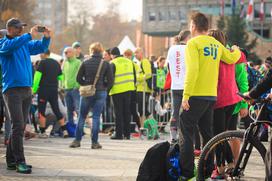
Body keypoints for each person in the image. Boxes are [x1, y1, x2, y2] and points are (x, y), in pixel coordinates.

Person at [179, 13, 241, 180]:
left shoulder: (193, 43)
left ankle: (186, 172)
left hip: (196, 94)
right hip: (211, 96)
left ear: (193, 26)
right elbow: (231, 58)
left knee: (185, 130)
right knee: (208, 134)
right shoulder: (215, 43)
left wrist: (186, 95)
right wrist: (235, 49)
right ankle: (206, 171)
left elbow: (193, 71)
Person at [0, 18, 51, 174]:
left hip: (26, 90)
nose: (21, 30)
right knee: (17, 126)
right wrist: (29, 35)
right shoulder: (4, 44)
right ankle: (20, 161)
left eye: (22, 27)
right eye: (18, 27)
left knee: (20, 127)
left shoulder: (23, 43)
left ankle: (10, 161)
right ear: (9, 29)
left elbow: (40, 47)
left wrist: (47, 37)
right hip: (12, 90)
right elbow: (11, 46)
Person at [207, 29, 248, 179]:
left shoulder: (213, 55)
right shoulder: (232, 53)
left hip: (220, 99)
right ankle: (230, 166)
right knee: (224, 134)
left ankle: (222, 168)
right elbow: (241, 57)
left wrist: (244, 104)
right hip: (232, 99)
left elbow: (242, 79)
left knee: (219, 136)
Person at [69, 42, 113, 149]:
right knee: (96, 117)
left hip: (87, 92)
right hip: (100, 92)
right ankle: (94, 143)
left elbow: (78, 78)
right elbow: (111, 81)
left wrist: (86, 84)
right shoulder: (106, 64)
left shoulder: (85, 62)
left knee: (82, 116)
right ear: (101, 51)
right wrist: (104, 87)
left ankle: (77, 141)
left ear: (91, 51)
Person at [32, 50, 68, 138]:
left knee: (41, 110)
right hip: (54, 90)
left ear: (44, 54)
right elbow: (61, 77)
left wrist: (34, 89)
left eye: (40, 53)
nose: (40, 55)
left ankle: (43, 132)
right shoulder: (56, 63)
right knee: (56, 109)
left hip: (44, 90)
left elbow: (37, 77)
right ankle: (64, 130)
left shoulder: (42, 63)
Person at [166, 30, 190, 144]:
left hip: (175, 85)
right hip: (187, 86)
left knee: (174, 113)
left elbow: (168, 67)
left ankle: (173, 137)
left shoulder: (171, 49)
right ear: (188, 38)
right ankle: (185, 136)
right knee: (188, 112)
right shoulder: (188, 49)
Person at [109, 47, 136, 140]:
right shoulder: (129, 62)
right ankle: (127, 134)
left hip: (117, 90)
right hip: (129, 90)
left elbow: (110, 79)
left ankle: (119, 134)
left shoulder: (113, 63)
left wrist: (107, 90)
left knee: (118, 113)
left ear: (112, 55)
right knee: (126, 112)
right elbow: (134, 76)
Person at [134, 48, 152, 132]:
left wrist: (138, 78)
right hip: (141, 89)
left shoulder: (145, 61)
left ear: (141, 53)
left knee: (143, 110)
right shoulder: (140, 62)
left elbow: (148, 74)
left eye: (136, 53)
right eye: (134, 53)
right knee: (142, 110)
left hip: (144, 89)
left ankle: (150, 126)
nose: (135, 54)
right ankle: (143, 127)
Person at [62, 47, 81, 127]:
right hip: (66, 89)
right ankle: (71, 127)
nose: (66, 54)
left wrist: (77, 85)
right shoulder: (65, 63)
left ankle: (80, 128)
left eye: (67, 52)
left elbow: (80, 74)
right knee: (68, 110)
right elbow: (62, 75)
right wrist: (62, 85)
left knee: (78, 109)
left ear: (73, 53)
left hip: (75, 89)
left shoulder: (78, 62)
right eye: (65, 52)